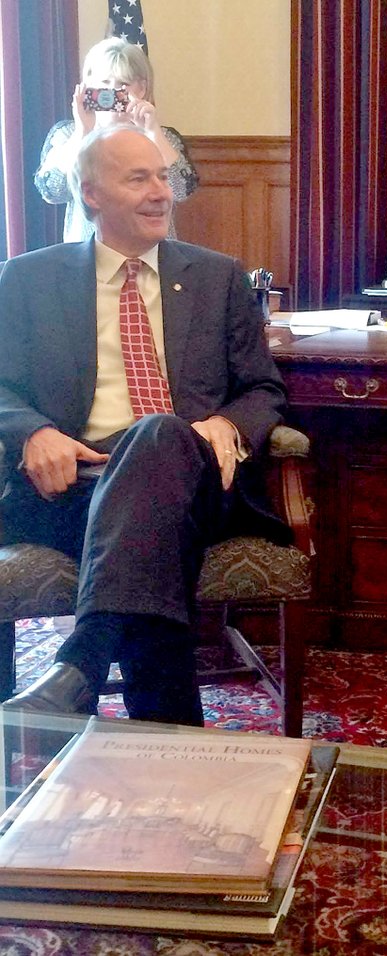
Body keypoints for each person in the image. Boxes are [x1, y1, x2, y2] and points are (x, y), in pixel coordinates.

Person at [0, 124, 288, 726]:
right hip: (73, 483)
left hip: (194, 477)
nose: (161, 192)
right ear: (91, 194)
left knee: (156, 433)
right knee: (148, 532)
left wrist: (229, 428)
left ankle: (82, 661)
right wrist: (31, 431)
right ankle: (172, 736)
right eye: (139, 178)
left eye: (165, 176)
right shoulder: (28, 280)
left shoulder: (217, 276)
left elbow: (263, 388)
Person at [34, 37, 198, 243]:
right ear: (88, 86)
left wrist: (152, 130)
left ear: (141, 88)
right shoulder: (66, 135)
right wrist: (83, 131)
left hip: (154, 255)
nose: (111, 92)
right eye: (104, 83)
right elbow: (53, 191)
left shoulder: (164, 137)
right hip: (88, 258)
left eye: (122, 84)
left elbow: (182, 190)